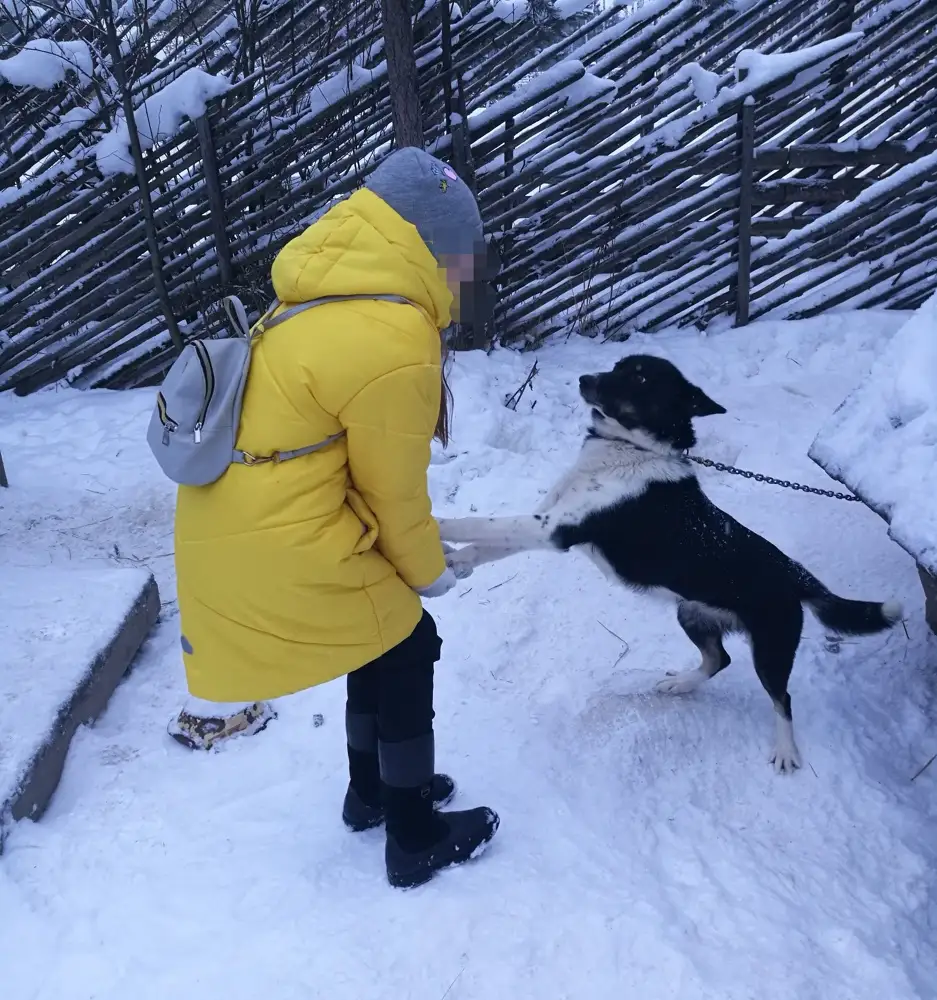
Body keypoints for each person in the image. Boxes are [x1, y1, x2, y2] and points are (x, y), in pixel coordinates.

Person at [167, 147, 500, 889]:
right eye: (462, 254)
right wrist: (428, 572)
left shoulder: (315, 296)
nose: (466, 274)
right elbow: (392, 493)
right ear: (432, 245)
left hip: (239, 525)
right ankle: (412, 834)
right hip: (275, 537)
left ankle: (369, 792)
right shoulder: (393, 336)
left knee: (377, 636)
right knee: (410, 637)